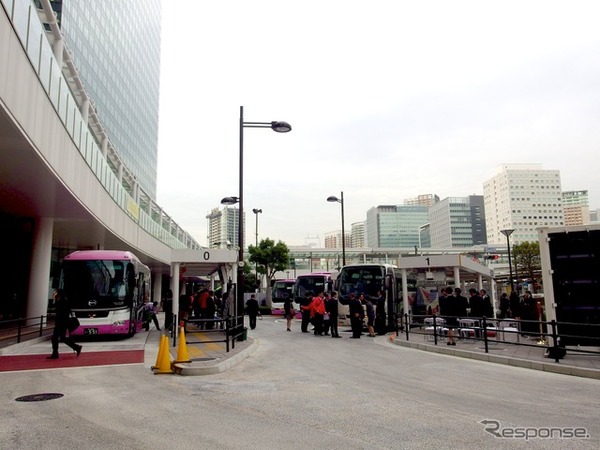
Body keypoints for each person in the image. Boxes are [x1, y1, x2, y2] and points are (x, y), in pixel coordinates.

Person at [47, 289, 82, 359]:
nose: (54, 293)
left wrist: (52, 298)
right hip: (62, 322)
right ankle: (76, 347)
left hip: (61, 323)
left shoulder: (62, 301)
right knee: (62, 338)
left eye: (55, 292)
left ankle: (55, 353)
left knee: (55, 338)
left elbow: (52, 307)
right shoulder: (62, 300)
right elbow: (52, 307)